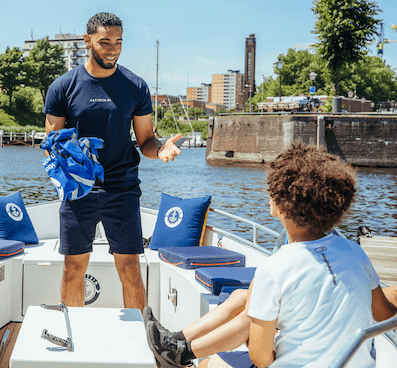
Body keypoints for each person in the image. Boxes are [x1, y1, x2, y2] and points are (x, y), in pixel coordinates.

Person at [145, 144, 397, 368]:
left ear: (281, 202)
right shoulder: (355, 252)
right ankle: (177, 348)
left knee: (210, 363)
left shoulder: (275, 269)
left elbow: (261, 358)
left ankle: (178, 352)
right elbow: (382, 312)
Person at [43, 12, 181, 310]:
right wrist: (71, 165)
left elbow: (145, 141)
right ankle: (74, 337)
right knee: (73, 270)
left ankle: (140, 340)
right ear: (87, 41)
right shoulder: (63, 87)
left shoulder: (135, 86)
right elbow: (51, 146)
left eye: (118, 42)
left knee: (130, 269)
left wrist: (161, 150)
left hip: (122, 187)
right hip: (80, 190)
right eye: (104, 42)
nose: (112, 48)